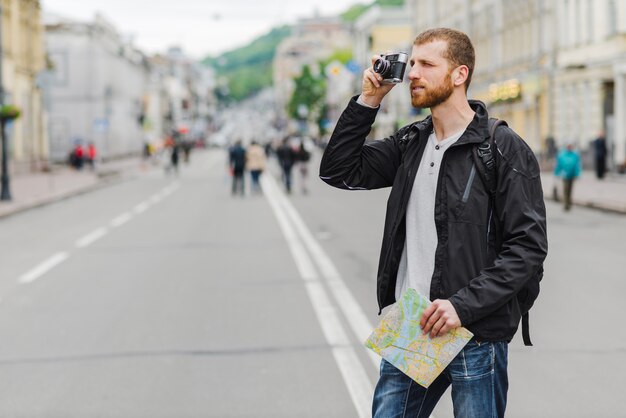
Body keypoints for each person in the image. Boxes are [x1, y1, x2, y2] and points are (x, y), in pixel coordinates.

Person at [319, 28, 548, 418]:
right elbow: (339, 170)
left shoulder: (502, 147)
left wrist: (461, 306)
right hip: (413, 323)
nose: (413, 73)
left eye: (426, 64)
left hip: (473, 328)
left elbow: (527, 249)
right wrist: (368, 101)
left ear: (459, 74)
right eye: (412, 64)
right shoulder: (412, 142)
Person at [554, 142, 582, 211]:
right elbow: (559, 164)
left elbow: (577, 165)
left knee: (570, 189)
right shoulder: (562, 155)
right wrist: (557, 172)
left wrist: (577, 173)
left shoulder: (575, 155)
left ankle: (569, 202)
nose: (569, 147)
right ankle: (566, 203)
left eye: (570, 146)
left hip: (572, 175)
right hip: (565, 175)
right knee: (565, 189)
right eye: (568, 146)